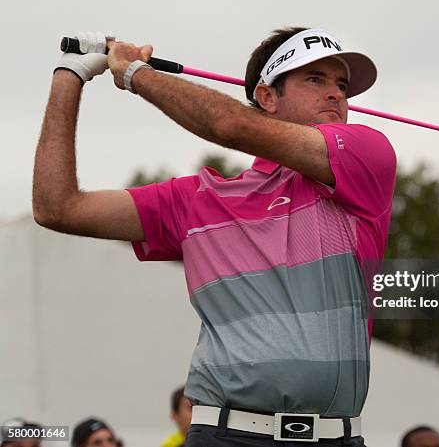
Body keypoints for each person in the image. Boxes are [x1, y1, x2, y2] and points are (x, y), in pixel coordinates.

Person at [33, 27, 396, 447]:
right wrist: (70, 74)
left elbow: (227, 124)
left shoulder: (367, 155)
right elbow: (57, 207)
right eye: (315, 79)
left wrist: (135, 73)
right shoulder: (195, 201)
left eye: (342, 85)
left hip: (336, 438)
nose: (336, 94)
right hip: (225, 436)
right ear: (267, 97)